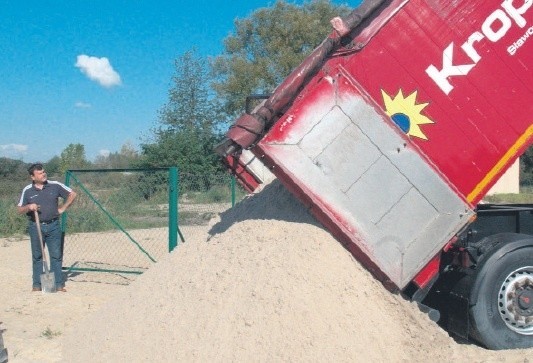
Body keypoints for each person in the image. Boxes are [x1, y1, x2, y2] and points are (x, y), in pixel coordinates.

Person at [17, 163, 77, 292]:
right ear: (33, 177)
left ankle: (58, 284)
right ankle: (37, 285)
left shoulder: (55, 185)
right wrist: (29, 207)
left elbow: (72, 194)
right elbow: (20, 209)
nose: (43, 174)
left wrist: (63, 208)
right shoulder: (27, 190)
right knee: (37, 256)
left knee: (56, 255)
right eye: (40, 173)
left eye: (44, 172)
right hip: (35, 227)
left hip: (53, 226)